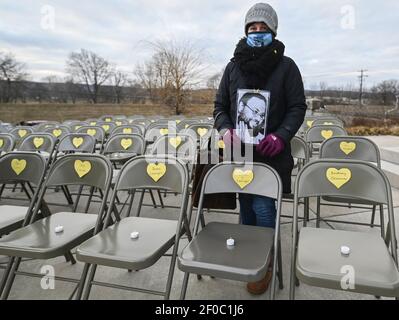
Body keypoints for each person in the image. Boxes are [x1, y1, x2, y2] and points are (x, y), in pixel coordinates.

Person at [213, 3, 307, 295]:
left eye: (262, 28)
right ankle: (248, 253)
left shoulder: (287, 67)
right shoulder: (232, 67)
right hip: (240, 154)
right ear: (245, 31)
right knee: (245, 204)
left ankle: (264, 261)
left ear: (273, 31)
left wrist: (281, 136)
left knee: (264, 206)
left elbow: (297, 107)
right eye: (252, 28)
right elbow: (220, 107)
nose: (257, 32)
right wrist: (225, 129)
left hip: (271, 154)